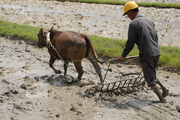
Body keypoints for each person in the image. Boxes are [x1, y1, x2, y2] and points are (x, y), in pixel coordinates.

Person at [118, 1, 169, 103]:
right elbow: (155, 37)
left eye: (127, 14)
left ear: (132, 12)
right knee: (151, 73)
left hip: (147, 55)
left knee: (150, 79)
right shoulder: (149, 21)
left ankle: (162, 99)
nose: (127, 16)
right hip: (156, 52)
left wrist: (123, 55)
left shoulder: (133, 24)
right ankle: (164, 89)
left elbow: (130, 43)